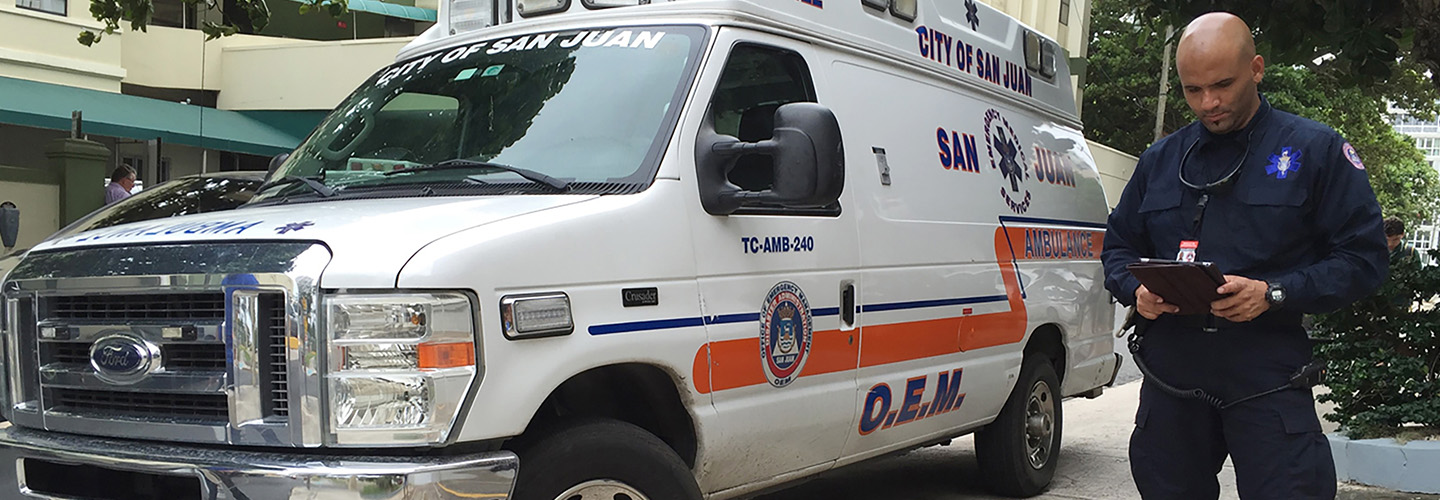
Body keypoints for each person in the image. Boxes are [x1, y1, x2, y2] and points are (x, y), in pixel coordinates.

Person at [1101, 12, 1387, 500]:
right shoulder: (1161, 160)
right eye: (1193, 90)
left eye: (1223, 85)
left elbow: (1364, 259)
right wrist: (1137, 290)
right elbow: (1118, 248)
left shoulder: (1315, 150)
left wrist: (1275, 292)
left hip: (1267, 367)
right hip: (1172, 372)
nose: (1208, 103)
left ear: (1256, 68)